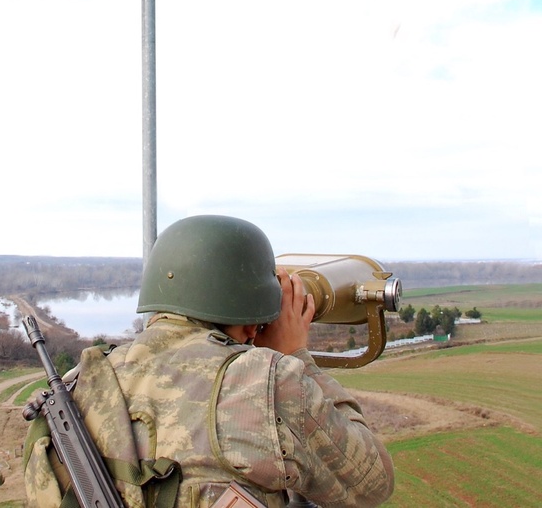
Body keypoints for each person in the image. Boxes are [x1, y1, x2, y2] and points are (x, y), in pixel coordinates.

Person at [23, 215, 395, 508]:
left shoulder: (75, 386)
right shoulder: (266, 384)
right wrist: (295, 357)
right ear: (245, 310)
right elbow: (371, 483)